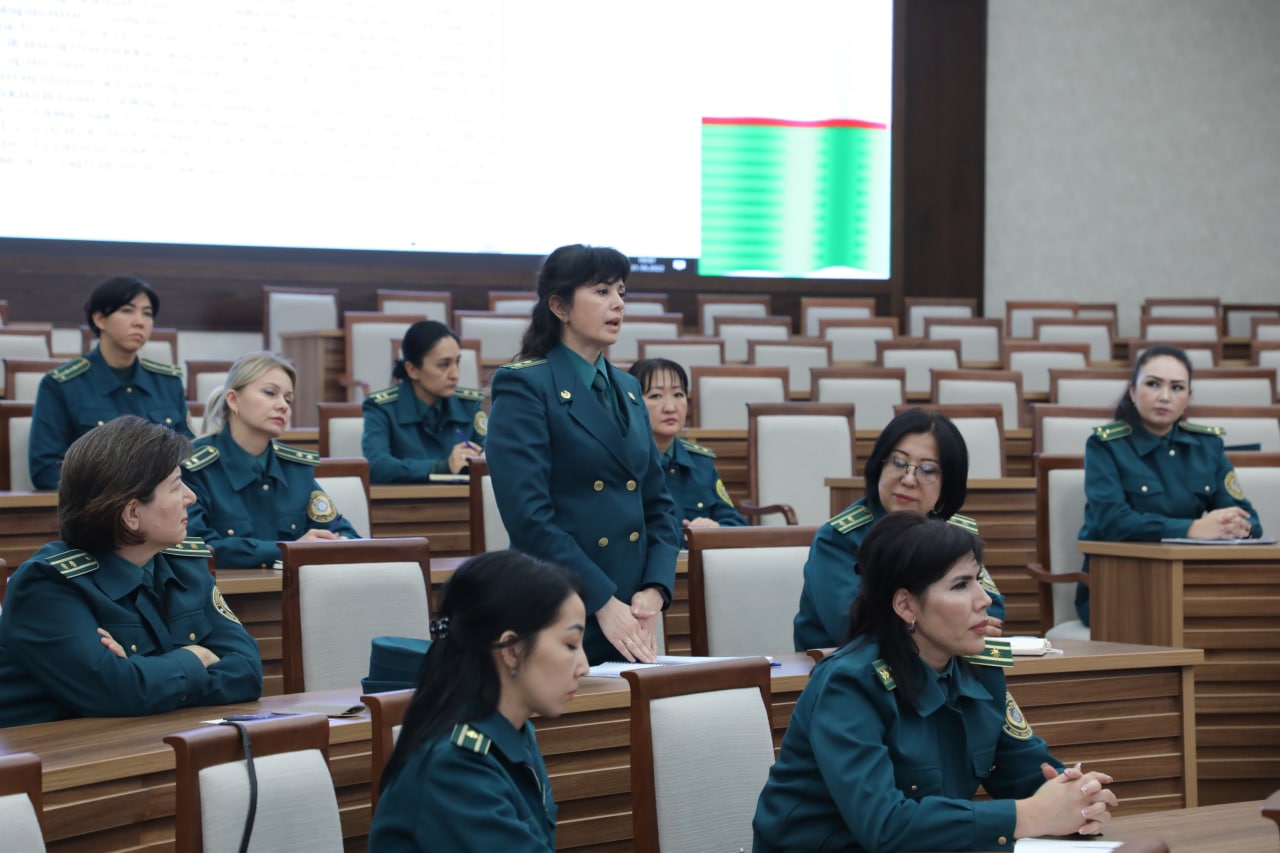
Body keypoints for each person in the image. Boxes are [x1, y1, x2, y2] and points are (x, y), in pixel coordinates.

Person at [754, 512, 1117, 851]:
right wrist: (1031, 814)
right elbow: (884, 825)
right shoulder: (848, 684)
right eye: (960, 585)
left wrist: (1077, 798)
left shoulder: (981, 669)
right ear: (906, 606)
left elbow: (1028, 770)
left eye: (978, 580)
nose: (984, 600)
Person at [484, 244, 681, 665]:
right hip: (561, 606)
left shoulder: (629, 389)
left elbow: (659, 504)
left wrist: (655, 588)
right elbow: (529, 518)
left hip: (633, 613)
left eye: (622, 292)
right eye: (602, 291)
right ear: (560, 307)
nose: (618, 304)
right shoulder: (525, 385)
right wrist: (601, 600)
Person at [0, 416, 263, 727]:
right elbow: (115, 692)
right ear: (132, 513)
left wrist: (147, 678)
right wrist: (197, 656)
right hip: (55, 752)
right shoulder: (47, 586)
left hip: (152, 737)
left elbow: (247, 670)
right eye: (176, 486)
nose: (190, 497)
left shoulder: (185, 564)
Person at [369, 550, 589, 852]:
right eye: (571, 644)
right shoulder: (455, 765)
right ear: (511, 649)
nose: (584, 666)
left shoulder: (515, 731)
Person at [1076, 344, 1262, 626]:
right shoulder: (1105, 445)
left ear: (1188, 396)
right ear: (1133, 391)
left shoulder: (1208, 446)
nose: (1165, 396)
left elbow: (1249, 520)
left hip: (1190, 583)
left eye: (1177, 388)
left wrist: (1235, 526)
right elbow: (1114, 522)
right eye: (1153, 384)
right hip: (1118, 585)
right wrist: (1192, 529)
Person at [794, 407, 1006, 651]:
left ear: (948, 483)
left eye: (927, 470)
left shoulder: (954, 536)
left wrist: (927, 625)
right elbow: (853, 627)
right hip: (848, 669)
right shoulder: (839, 539)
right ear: (879, 465)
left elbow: (992, 610)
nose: (908, 479)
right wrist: (948, 626)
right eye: (898, 462)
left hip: (942, 666)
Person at [182, 352, 359, 568]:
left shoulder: (295, 469)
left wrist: (334, 541)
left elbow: (341, 530)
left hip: (292, 587)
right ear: (234, 400)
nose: (283, 405)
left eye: (288, 399)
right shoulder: (194, 468)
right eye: (270, 393)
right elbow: (196, 545)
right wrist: (288, 551)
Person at [29, 276, 191, 490]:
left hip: (164, 504)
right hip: (99, 506)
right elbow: (46, 469)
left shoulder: (167, 383)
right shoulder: (62, 385)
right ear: (99, 319)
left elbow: (189, 454)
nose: (139, 321)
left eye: (147, 313)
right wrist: (123, 494)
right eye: (127, 310)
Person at [362, 320, 487, 484]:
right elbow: (376, 467)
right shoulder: (382, 407)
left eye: (457, 362)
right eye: (444, 365)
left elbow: (494, 458)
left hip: (464, 499)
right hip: (406, 500)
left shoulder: (469, 406)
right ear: (412, 370)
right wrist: (442, 468)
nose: (455, 374)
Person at [627, 357, 746, 529]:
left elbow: (736, 524)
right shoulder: (622, 463)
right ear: (633, 402)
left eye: (678, 395)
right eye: (655, 396)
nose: (670, 407)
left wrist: (715, 528)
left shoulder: (701, 463)